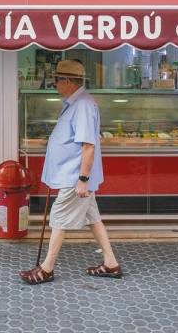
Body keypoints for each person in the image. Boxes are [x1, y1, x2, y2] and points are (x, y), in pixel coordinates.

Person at [20, 60, 122, 285]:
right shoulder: (74, 103)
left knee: (59, 218)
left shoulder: (83, 105)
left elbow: (88, 146)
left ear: (67, 81)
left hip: (75, 178)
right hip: (72, 176)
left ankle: (46, 269)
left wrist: (83, 180)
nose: (54, 84)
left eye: (56, 80)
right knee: (94, 219)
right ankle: (111, 263)